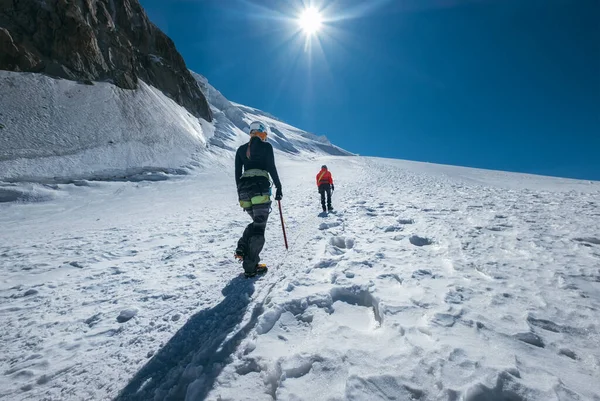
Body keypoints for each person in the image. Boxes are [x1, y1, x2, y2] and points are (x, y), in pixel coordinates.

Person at [234, 121, 283, 277]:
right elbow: (271, 167)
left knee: (256, 223)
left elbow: (237, 173)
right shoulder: (266, 147)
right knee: (260, 227)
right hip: (259, 188)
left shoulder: (241, 150)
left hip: (243, 191)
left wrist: (239, 191)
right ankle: (251, 267)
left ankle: (242, 247)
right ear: (261, 133)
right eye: (265, 135)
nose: (265, 138)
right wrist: (279, 187)